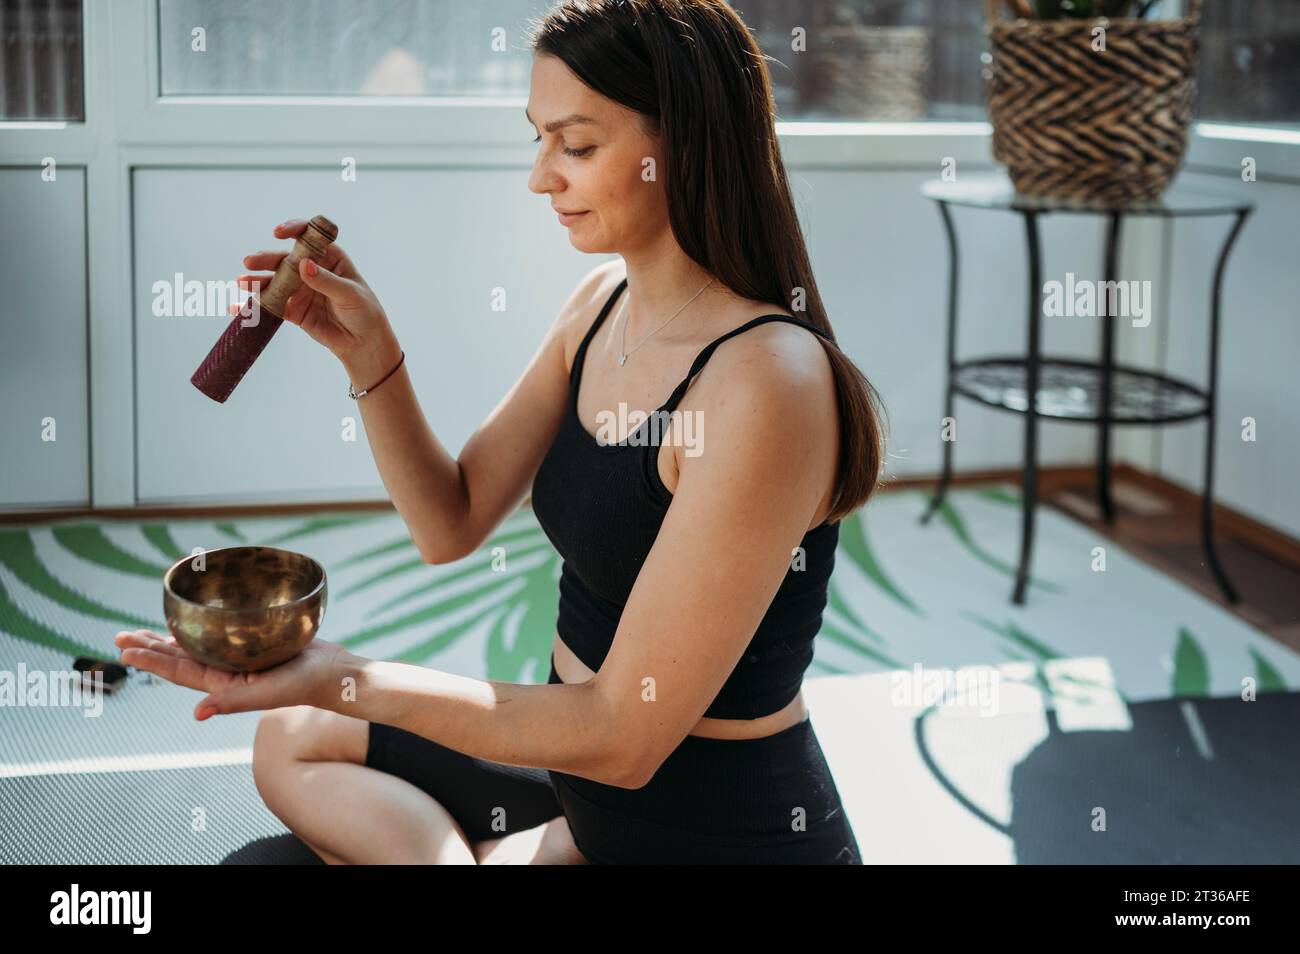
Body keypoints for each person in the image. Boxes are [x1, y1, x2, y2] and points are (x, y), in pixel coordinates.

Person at [116, 0, 887, 864]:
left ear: (687, 144)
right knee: (294, 733)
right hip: (581, 799)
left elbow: (623, 736)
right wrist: (372, 356)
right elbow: (452, 521)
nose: (541, 177)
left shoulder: (765, 381)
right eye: (540, 139)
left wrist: (342, 674)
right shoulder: (601, 309)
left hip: (698, 833)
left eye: (579, 145)